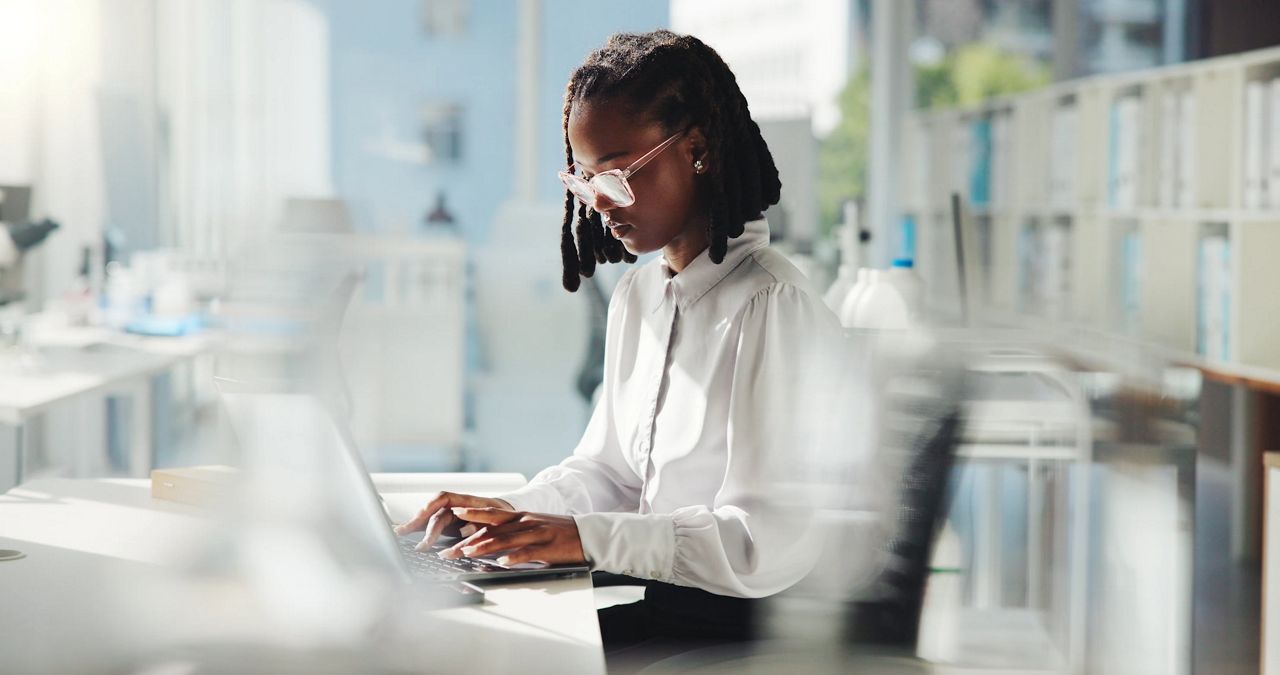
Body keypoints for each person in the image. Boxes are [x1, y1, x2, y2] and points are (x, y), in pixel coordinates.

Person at [395, 29, 843, 656]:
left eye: (618, 176)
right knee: (455, 640)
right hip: (670, 610)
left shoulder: (772, 307)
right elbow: (610, 475)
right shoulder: (641, 295)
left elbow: (761, 542)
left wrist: (587, 538)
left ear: (699, 148)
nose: (601, 203)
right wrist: (502, 517)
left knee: (494, 657)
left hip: (744, 641)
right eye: (585, 180)